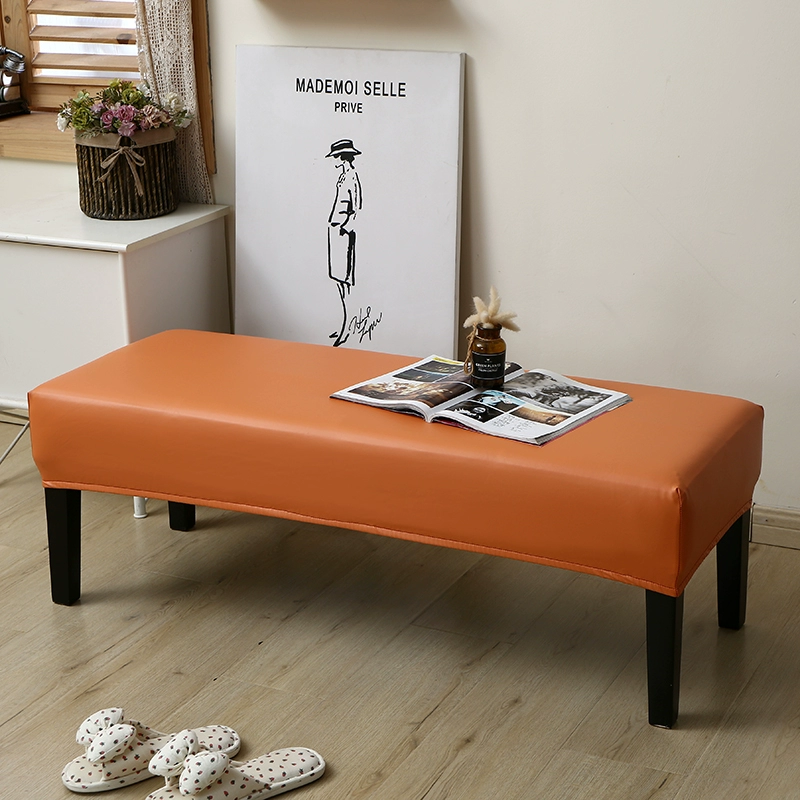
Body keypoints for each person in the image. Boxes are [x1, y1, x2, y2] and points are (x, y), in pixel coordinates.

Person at [326, 139, 362, 346]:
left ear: (342, 157)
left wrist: (344, 227)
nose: (334, 161)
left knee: (345, 281)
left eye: (335, 157)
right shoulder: (343, 177)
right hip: (336, 231)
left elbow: (356, 208)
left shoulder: (351, 177)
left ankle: (347, 328)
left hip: (344, 233)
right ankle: (343, 324)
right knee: (338, 280)